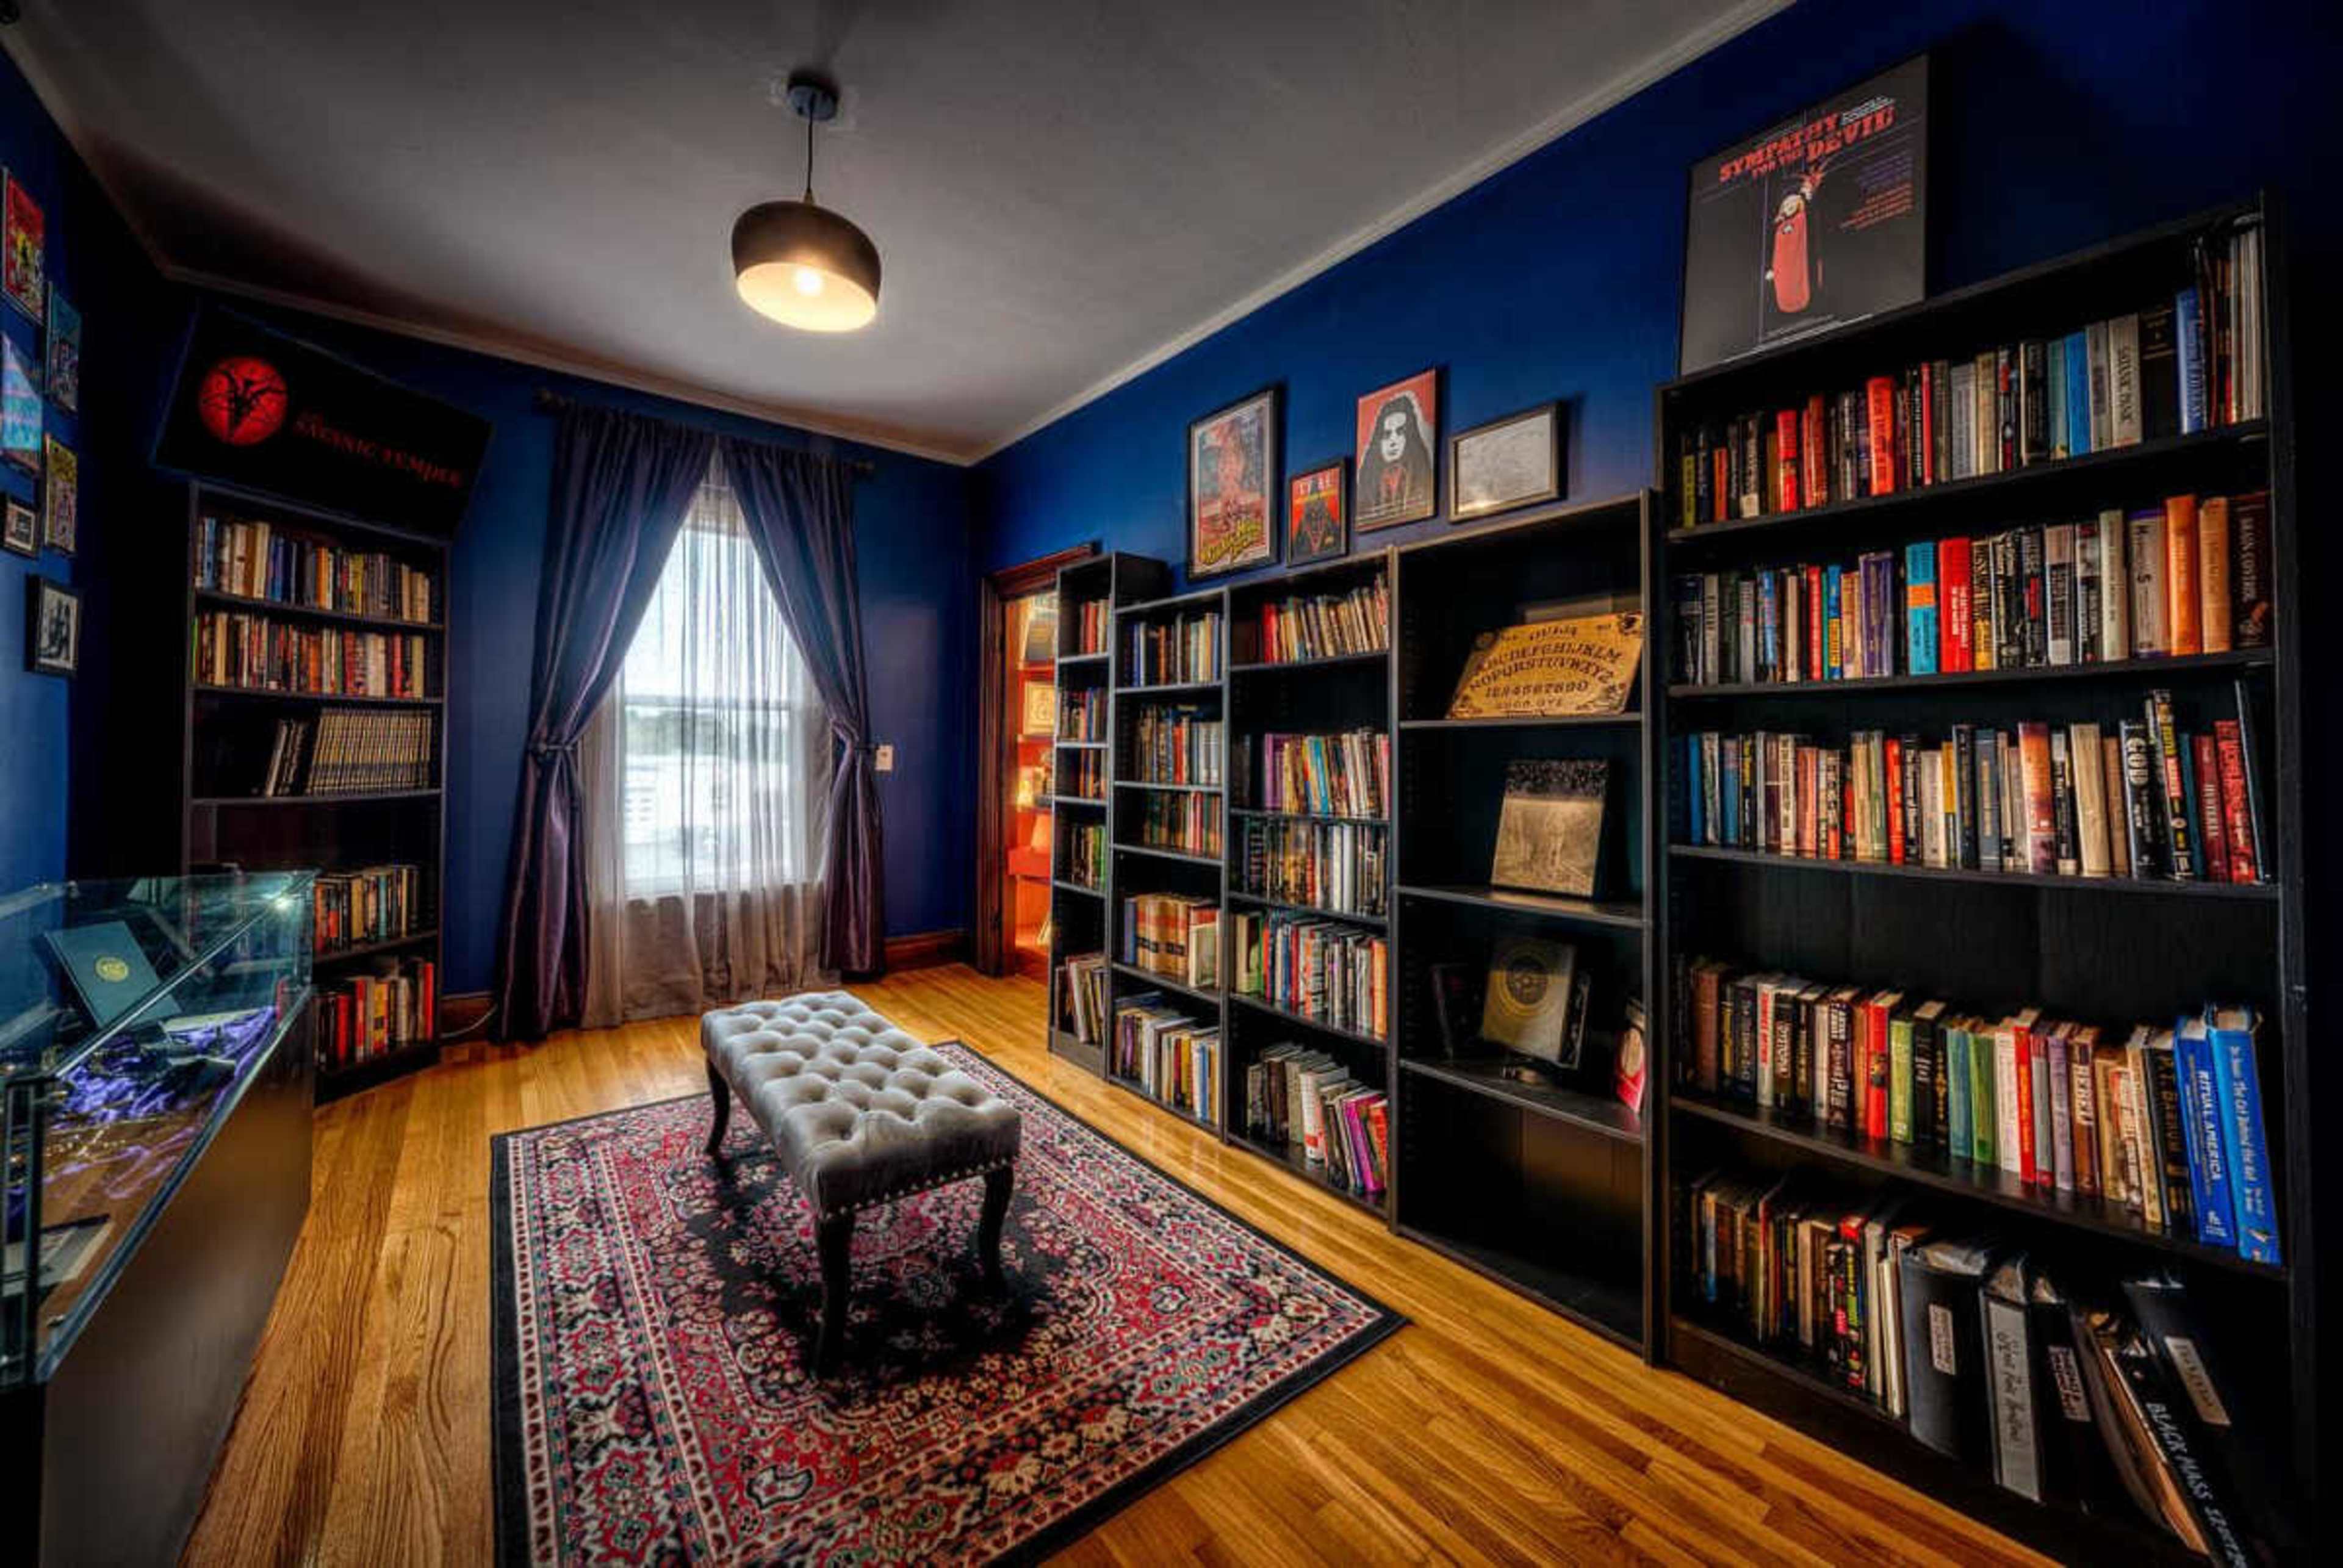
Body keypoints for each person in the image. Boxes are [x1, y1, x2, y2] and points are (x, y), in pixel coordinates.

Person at [1357, 392, 1432, 524]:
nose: (1393, 441)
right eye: (1387, 435)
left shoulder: (1422, 473)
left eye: (1400, 432)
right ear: (1378, 440)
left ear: (1409, 437)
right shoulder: (1367, 482)